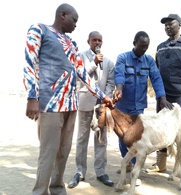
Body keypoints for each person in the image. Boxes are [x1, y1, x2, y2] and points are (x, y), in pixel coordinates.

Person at [23, 4, 113, 195]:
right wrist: (32, 96)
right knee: (48, 152)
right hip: (50, 104)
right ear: (62, 15)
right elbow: (29, 63)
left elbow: (81, 73)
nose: (75, 25)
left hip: (71, 104)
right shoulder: (40, 30)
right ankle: (39, 192)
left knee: (63, 152)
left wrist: (102, 95)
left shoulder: (72, 43)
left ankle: (57, 189)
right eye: (74, 20)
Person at [146, 14, 181, 185]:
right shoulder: (160, 47)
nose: (168, 27)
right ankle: (161, 164)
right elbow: (156, 71)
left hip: (180, 94)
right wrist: (159, 94)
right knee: (160, 128)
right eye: (166, 25)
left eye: (171, 24)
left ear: (180, 25)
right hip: (163, 96)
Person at [113, 31, 173, 184]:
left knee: (136, 138)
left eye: (146, 47)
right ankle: (126, 162)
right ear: (134, 43)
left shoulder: (149, 61)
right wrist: (119, 89)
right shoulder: (123, 58)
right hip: (123, 105)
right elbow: (119, 75)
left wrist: (162, 98)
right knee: (123, 137)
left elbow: (156, 78)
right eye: (141, 46)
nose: (143, 50)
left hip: (138, 106)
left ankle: (134, 168)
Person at [67, 31, 115, 188]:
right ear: (88, 41)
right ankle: (80, 172)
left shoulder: (108, 62)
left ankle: (100, 172)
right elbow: (78, 76)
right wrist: (94, 62)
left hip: (101, 106)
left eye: (100, 40)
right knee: (82, 138)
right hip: (85, 103)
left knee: (101, 139)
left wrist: (105, 99)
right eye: (94, 40)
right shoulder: (80, 56)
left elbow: (110, 82)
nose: (97, 43)